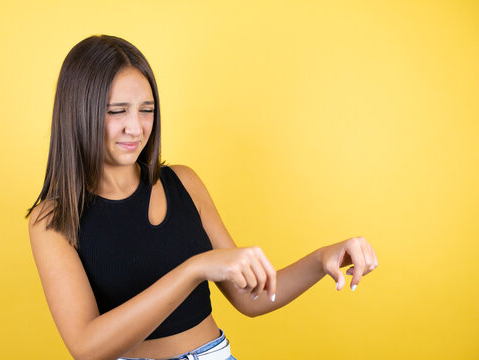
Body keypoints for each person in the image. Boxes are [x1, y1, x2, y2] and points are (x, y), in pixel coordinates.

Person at [26, 34, 379, 360]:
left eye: (146, 110)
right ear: (79, 112)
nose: (135, 127)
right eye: (117, 111)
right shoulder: (53, 220)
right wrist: (194, 269)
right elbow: (86, 347)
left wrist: (323, 259)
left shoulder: (184, 183)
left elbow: (250, 298)